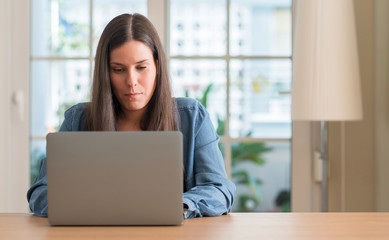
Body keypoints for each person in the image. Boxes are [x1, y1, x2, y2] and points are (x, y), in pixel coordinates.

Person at [27, 13, 235, 219]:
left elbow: (219, 189)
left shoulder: (192, 117)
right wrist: (97, 206)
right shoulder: (77, 120)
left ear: (157, 66)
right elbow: (40, 194)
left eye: (141, 67)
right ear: (105, 73)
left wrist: (177, 206)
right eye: (118, 70)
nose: (131, 81)